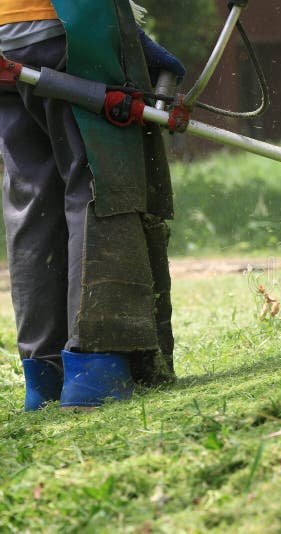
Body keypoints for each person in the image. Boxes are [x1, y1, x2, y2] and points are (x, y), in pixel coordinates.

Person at [0, 0, 185, 410]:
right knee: (99, 181)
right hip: (68, 29)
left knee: (34, 197)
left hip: (5, 43)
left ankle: (44, 378)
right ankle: (96, 366)